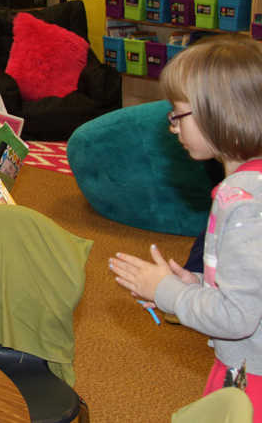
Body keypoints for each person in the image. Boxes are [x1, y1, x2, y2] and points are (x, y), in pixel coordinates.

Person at [109, 35, 262, 419]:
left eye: (178, 112)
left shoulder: (241, 200)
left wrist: (167, 292)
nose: (173, 126)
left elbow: (238, 318)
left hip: (253, 380)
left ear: (219, 112)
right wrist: (195, 287)